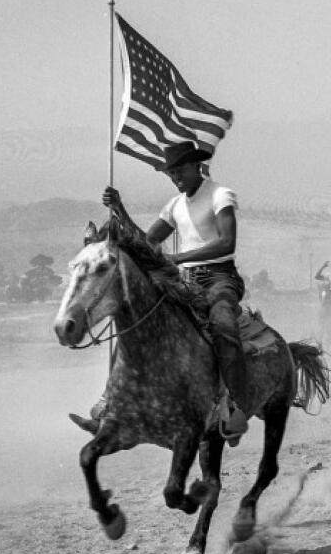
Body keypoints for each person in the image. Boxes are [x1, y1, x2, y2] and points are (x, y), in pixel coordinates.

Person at [102, 141, 251, 445]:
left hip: (220, 279)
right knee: (137, 320)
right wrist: (120, 209)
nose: (175, 176)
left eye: (179, 169)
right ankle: (113, 398)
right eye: (171, 172)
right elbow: (146, 242)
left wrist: (179, 258)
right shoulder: (174, 205)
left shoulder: (220, 195)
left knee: (223, 324)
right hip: (185, 283)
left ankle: (233, 406)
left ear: (197, 165)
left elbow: (227, 243)